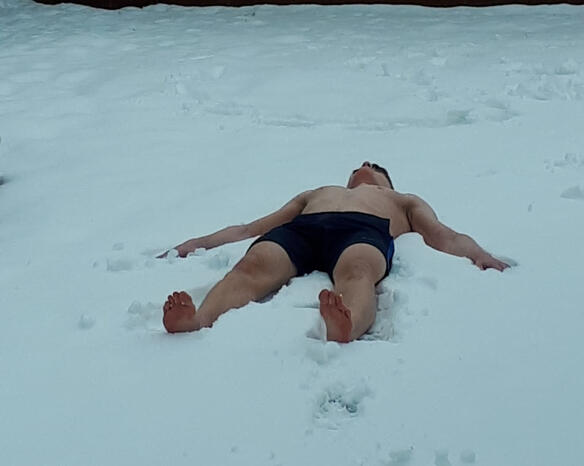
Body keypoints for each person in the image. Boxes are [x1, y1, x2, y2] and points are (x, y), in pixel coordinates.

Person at [160, 161, 509, 342]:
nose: (366, 164)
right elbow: (250, 229)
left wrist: (479, 254)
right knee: (252, 265)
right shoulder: (317, 192)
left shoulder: (401, 200)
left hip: (363, 229)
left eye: (376, 167)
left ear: (388, 183)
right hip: (303, 229)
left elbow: (442, 234)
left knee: (358, 272)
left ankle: (348, 324)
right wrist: (196, 243)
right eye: (359, 166)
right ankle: (197, 320)